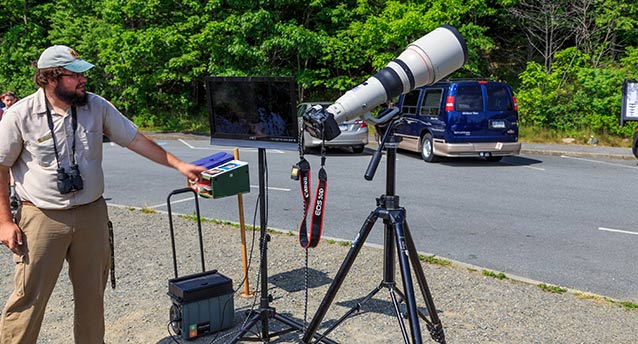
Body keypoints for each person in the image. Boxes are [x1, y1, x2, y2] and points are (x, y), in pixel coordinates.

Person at [0, 45, 206, 343]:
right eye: (75, 75)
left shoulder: (96, 106)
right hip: (41, 217)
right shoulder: (20, 115)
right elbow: (1, 166)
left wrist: (179, 164)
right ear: (50, 77)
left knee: (91, 297)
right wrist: (5, 221)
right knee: (28, 299)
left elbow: (135, 139)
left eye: (84, 73)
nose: (84, 80)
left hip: (92, 214)